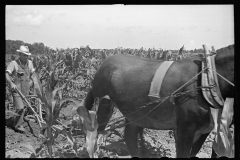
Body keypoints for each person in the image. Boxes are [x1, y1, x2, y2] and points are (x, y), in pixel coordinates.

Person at [6, 45, 35, 132]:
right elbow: (6, 74)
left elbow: (33, 74)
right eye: (24, 55)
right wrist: (11, 83)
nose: (26, 57)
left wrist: (34, 82)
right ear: (19, 54)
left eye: (27, 55)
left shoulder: (29, 63)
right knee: (20, 108)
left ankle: (14, 120)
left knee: (24, 106)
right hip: (16, 89)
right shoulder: (13, 64)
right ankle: (17, 126)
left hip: (26, 88)